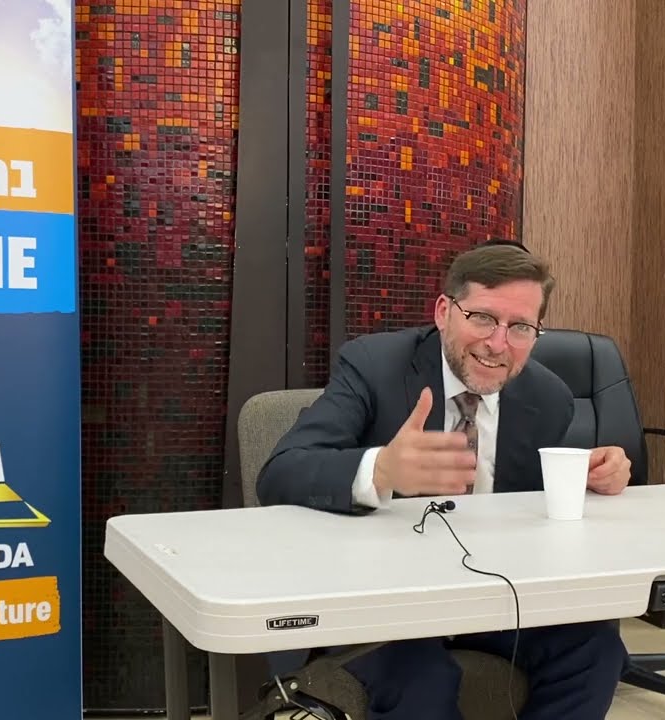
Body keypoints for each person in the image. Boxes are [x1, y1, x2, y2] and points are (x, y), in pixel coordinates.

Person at [256, 242, 632, 720]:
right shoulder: (374, 365)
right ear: (443, 312)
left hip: (488, 593)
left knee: (596, 649)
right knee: (425, 681)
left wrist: (596, 474)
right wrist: (380, 469)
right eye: (482, 318)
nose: (498, 344)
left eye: (520, 327)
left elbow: (529, 504)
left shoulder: (549, 398)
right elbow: (281, 472)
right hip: (382, 598)